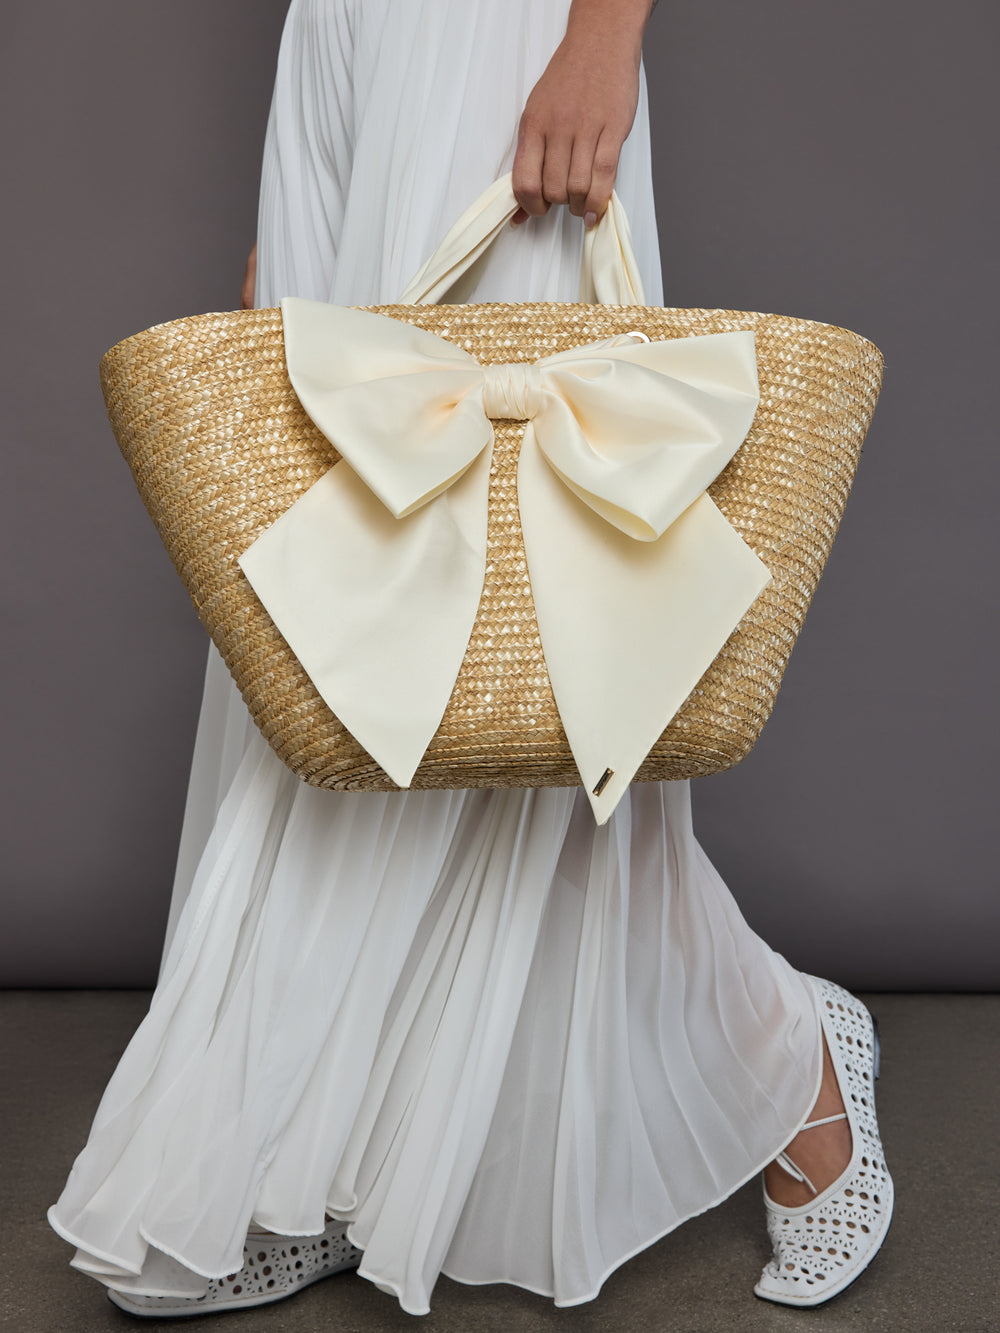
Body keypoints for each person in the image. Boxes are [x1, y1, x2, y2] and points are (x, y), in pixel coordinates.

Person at [48, 0, 892, 1317]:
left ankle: (782, 1048)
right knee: (345, 544)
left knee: (523, 600)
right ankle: (330, 1153)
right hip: (341, 32)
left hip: (503, 28)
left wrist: (604, 32)